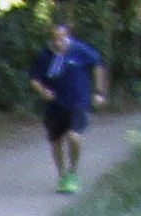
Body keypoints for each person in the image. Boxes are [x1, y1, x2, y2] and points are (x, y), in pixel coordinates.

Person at [30, 19, 106, 194]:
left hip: (77, 102)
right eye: (54, 38)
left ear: (67, 36)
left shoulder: (80, 51)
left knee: (74, 137)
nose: (58, 42)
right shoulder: (45, 55)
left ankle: (73, 172)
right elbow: (34, 78)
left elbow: (98, 66)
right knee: (56, 141)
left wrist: (99, 92)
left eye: (61, 37)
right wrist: (43, 91)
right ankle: (62, 175)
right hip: (54, 105)